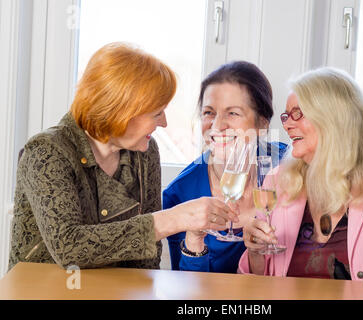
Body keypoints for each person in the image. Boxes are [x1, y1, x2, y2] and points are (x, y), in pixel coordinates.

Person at [9, 42, 237, 271]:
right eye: (157, 113)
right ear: (121, 111)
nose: (164, 122)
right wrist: (173, 219)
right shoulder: (47, 152)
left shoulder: (145, 153)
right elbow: (69, 247)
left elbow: (147, 260)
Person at [239, 67, 363, 290]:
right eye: (286, 115)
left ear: (334, 118)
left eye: (298, 113)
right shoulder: (279, 180)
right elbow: (254, 285)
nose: (287, 124)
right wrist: (255, 251)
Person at [163, 61, 287, 273]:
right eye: (209, 112)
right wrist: (194, 240)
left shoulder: (287, 164)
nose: (217, 126)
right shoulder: (180, 194)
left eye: (233, 113)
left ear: (262, 124)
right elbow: (186, 290)